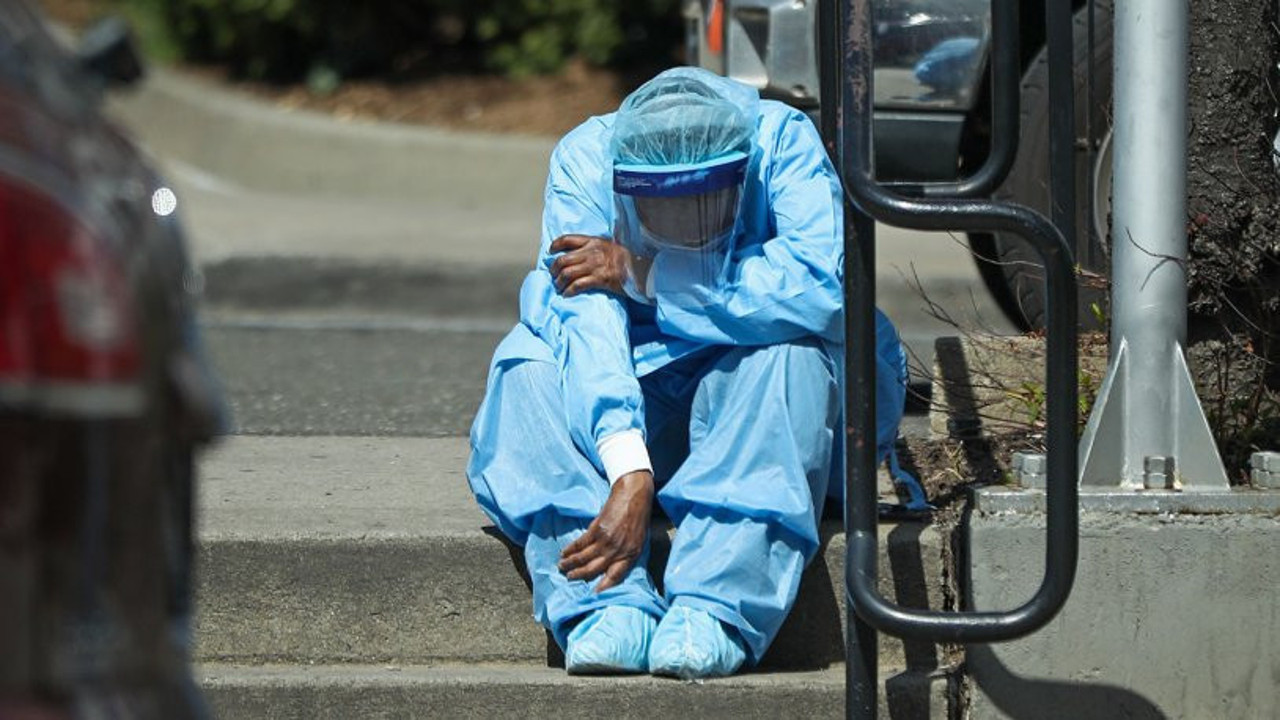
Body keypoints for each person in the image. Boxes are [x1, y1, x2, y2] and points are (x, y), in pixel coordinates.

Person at [467, 67, 912, 679]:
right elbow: (583, 318)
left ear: (740, 170)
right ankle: (601, 600)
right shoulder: (586, 156)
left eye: (705, 200)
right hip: (644, 405)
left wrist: (645, 273)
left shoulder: (781, 140)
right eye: (662, 204)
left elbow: (823, 287)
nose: (687, 222)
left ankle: (717, 604)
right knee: (526, 369)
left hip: (763, 416)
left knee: (789, 355)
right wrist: (627, 466)